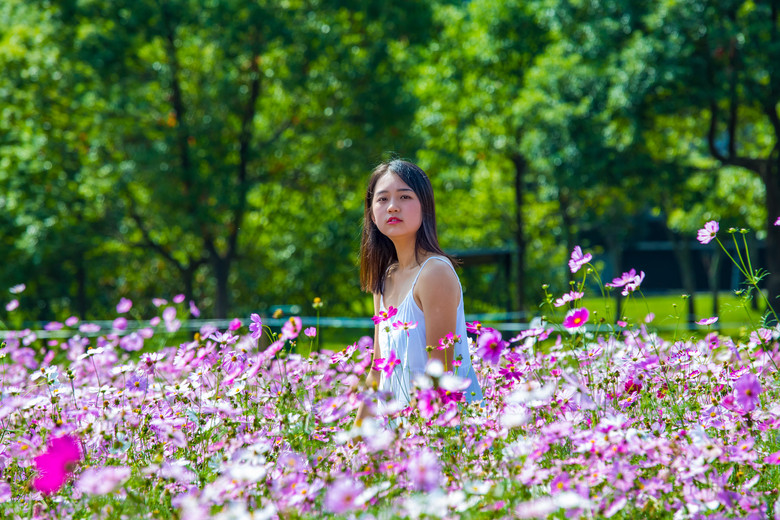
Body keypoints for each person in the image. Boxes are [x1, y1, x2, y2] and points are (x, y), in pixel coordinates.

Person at [354, 159, 482, 425]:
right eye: (382, 199)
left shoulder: (434, 273)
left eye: (404, 196)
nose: (392, 206)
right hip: (400, 433)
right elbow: (378, 371)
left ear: (425, 206)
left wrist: (405, 439)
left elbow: (440, 375)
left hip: (440, 431)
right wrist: (354, 441)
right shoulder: (384, 279)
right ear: (371, 213)